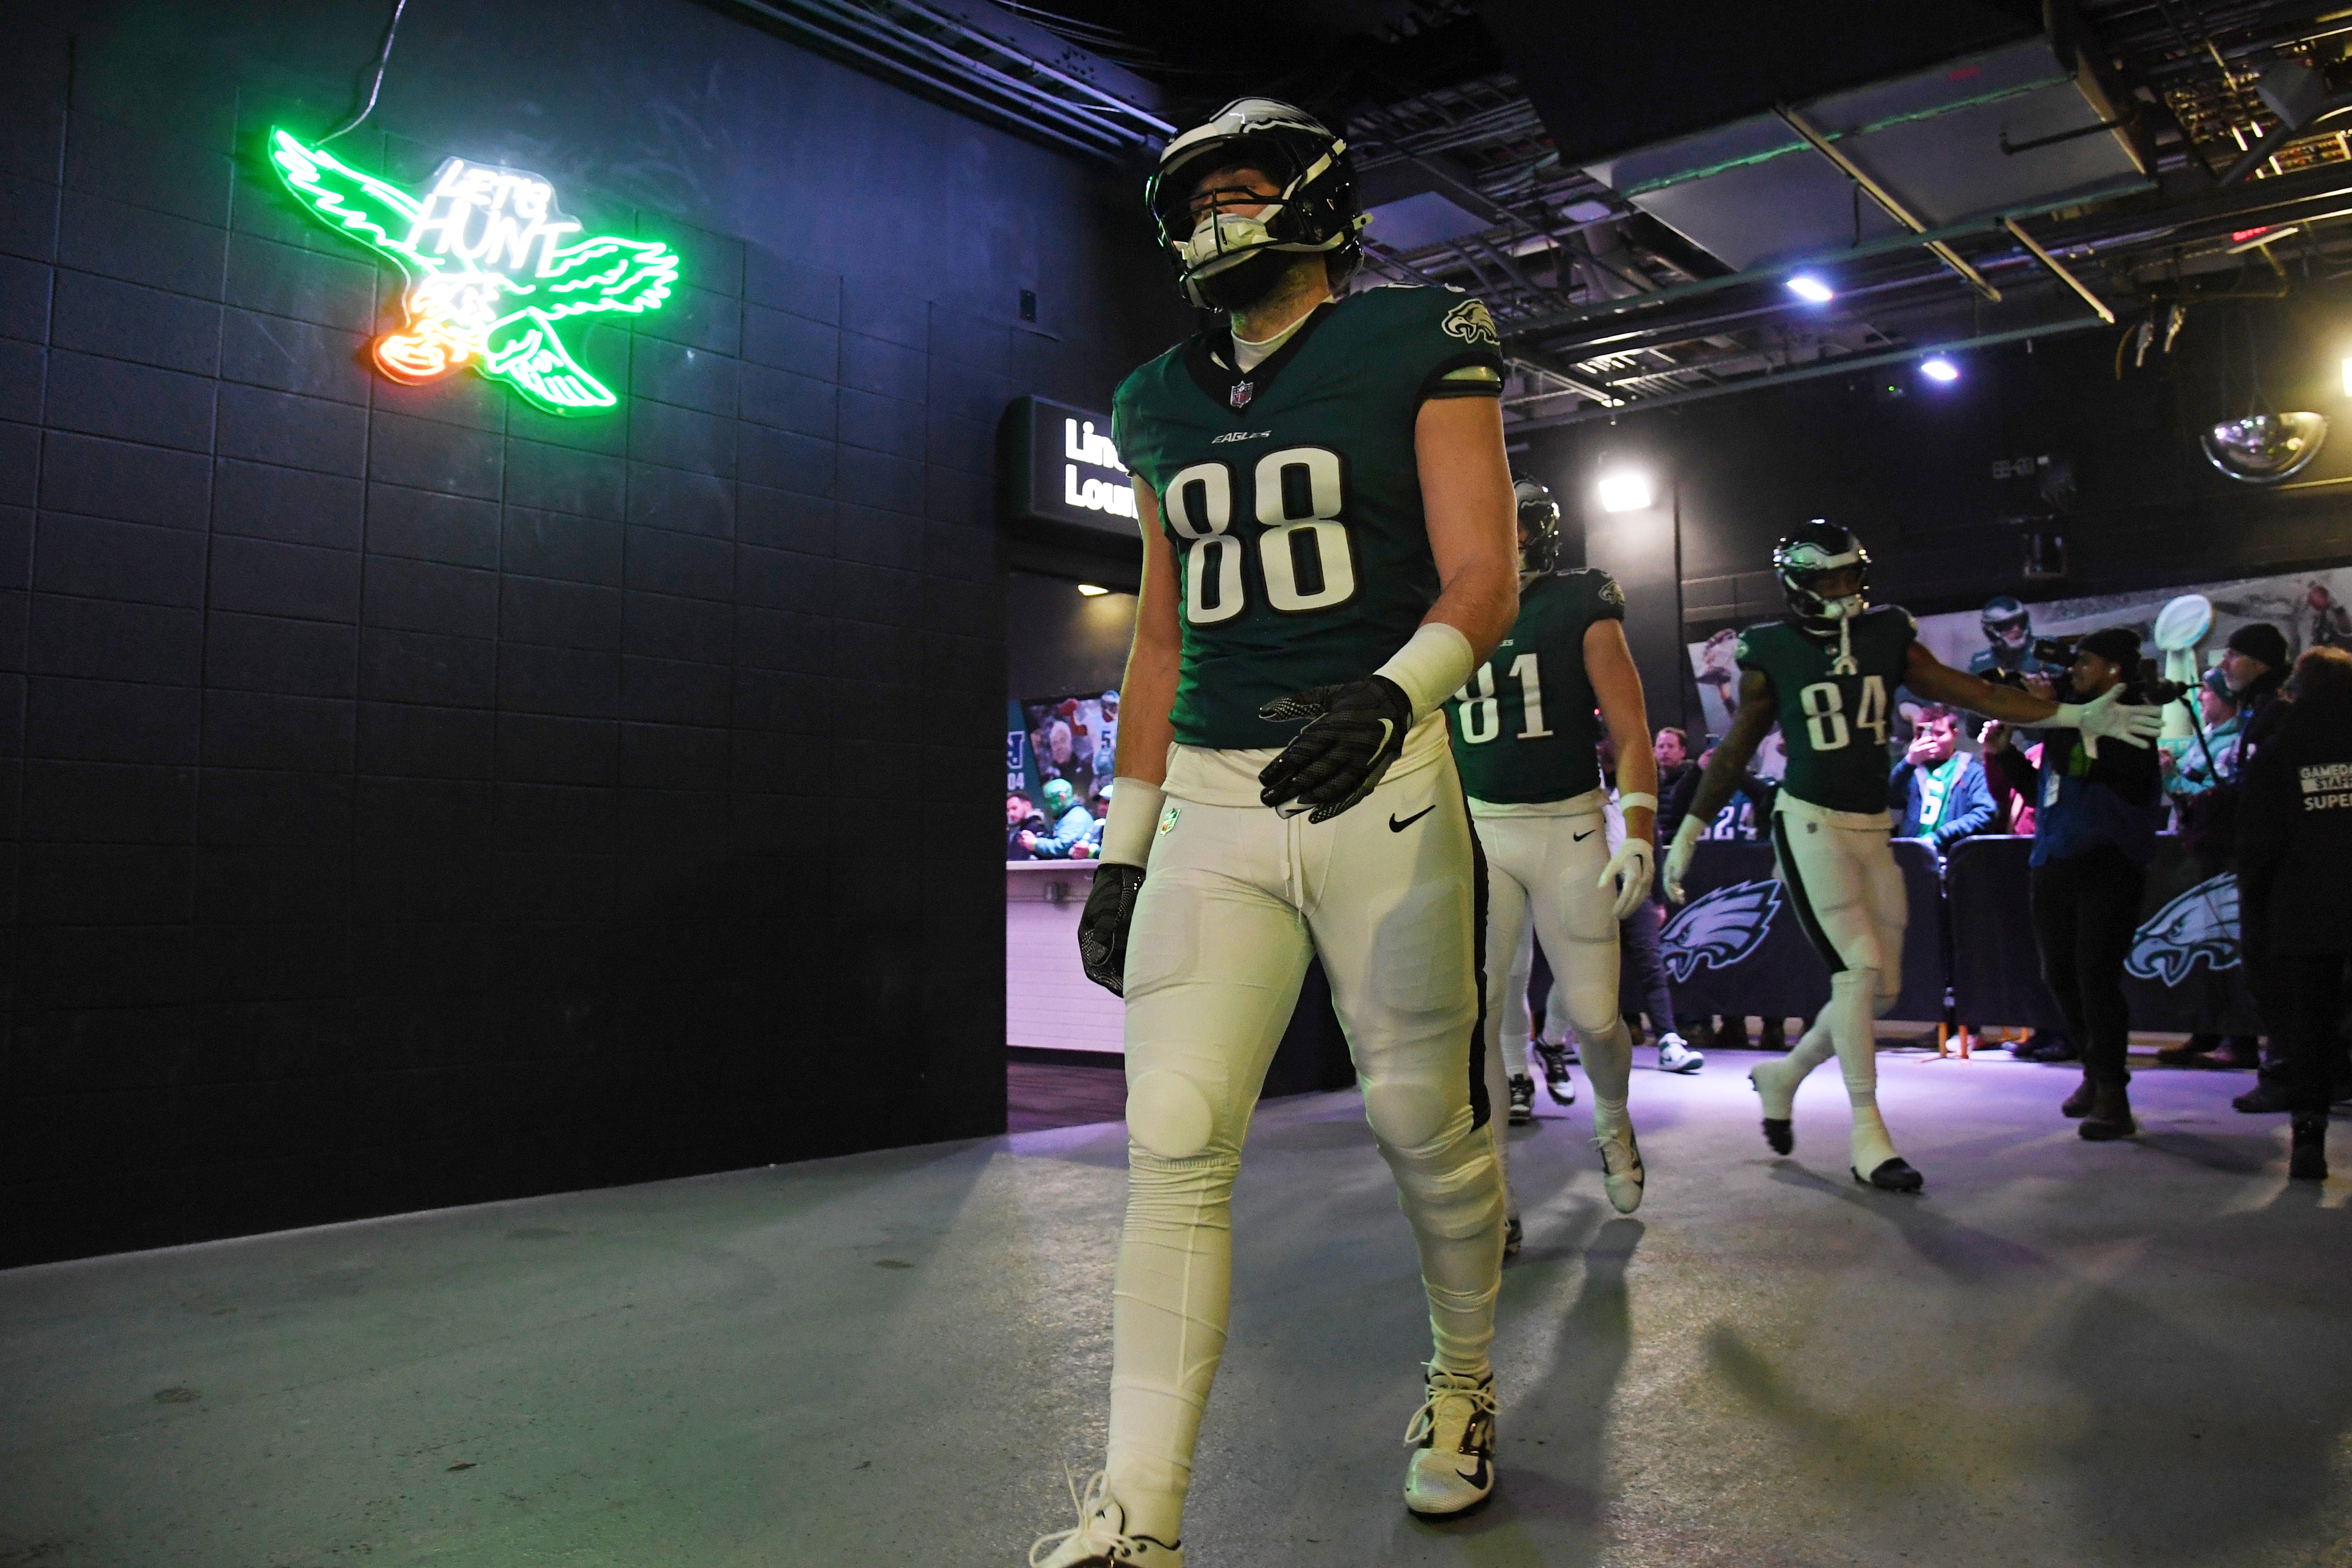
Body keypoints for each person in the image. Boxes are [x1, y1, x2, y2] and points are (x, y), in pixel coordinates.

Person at [1039, 98, 1519, 1566]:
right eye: (1191, 206)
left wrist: (1391, 695)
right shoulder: (1154, 399)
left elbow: (1482, 572)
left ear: (1315, 202)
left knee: (1414, 1122)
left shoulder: (1414, 336)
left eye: (1239, 194)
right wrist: (1122, 847)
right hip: (1213, 799)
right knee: (1173, 1142)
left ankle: (1460, 1382)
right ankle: (1139, 1520)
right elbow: (1164, 643)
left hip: (1378, 775)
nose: (1212, 226)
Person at [1661, 520, 2163, 1192]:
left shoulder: (1887, 632)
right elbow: (1734, 748)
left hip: (1873, 824)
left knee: (1884, 987)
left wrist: (2074, 717)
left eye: (1849, 576)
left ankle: (1783, 1076)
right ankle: (1870, 1138)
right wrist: (1689, 828)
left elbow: (1971, 691)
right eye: (1827, 580)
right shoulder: (1770, 649)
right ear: (1799, 586)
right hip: (1808, 819)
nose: (1841, 590)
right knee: (1859, 970)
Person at [1446, 475, 1658, 1257]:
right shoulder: (1444, 603)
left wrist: (1636, 827)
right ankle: (1494, 1189)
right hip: (1479, 831)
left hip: (1569, 826)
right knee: (1480, 1019)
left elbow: (1632, 731)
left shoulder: (1578, 601)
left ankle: (1611, 1120)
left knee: (1596, 1014)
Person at [1982, 628, 2168, 1137]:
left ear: (2113, 669)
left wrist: (2050, 713)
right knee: (2058, 974)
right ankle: (2095, 1070)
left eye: (2083, 663)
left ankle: (2112, 1093)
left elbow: (2076, 760)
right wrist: (2006, 754)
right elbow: (2050, 786)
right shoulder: (2069, 718)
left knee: (2094, 976)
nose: (2071, 672)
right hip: (2055, 858)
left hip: (2106, 859)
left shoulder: (2128, 714)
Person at [2236, 646, 2352, 1178]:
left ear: (2294, 689)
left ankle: (2308, 1133)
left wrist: (2255, 907)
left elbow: (2258, 840)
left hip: (2303, 908)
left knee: (2309, 1026)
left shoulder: (2278, 749)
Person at [1889, 704, 1995, 855]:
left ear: (1954, 734)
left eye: (1940, 734)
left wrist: (1940, 837)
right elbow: (1890, 799)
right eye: (1927, 733)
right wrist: (1909, 762)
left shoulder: (1972, 771)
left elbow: (1985, 813)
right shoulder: (1912, 770)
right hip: (1914, 856)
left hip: (1955, 857)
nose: (1933, 740)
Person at [1969, 595, 2049, 679]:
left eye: (2021, 621)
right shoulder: (1981, 662)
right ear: (1991, 630)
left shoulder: (2045, 648)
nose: (2017, 629)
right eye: (2007, 625)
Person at [1027, 777, 1098, 860]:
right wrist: (1036, 840)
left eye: (1050, 801)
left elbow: (1065, 846)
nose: (1048, 806)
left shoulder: (1076, 817)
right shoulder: (1069, 815)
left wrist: (1036, 844)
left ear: (1062, 798)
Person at [1007, 791, 1046, 860]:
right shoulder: (1020, 828)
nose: (1011, 814)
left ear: (1027, 805)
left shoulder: (1034, 827)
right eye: (1008, 810)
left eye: (1015, 808)